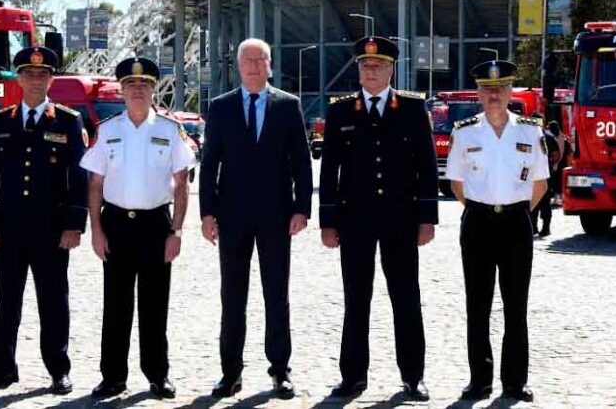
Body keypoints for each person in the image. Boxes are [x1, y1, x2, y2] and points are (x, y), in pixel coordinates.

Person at [319, 36, 438, 401]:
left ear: (391, 69)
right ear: (358, 69)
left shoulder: (413, 109)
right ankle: (353, 376)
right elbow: (329, 171)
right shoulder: (341, 111)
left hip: (400, 220)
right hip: (355, 221)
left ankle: (413, 376)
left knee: (406, 298)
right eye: (365, 66)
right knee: (356, 299)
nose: (371, 71)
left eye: (378, 65)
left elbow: (427, 167)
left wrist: (427, 218)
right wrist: (328, 221)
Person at [199, 38, 313, 399]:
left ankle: (280, 371)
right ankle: (230, 372)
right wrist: (207, 212)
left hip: (277, 217)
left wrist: (302, 208)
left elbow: (302, 161)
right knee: (232, 296)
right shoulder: (220, 107)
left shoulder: (288, 106)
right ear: (238, 65)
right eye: (247, 60)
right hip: (232, 217)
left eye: (260, 60)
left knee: (276, 294)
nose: (253, 66)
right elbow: (209, 165)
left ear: (270, 65)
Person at [0, 46, 88, 395]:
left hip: (51, 230)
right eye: (29, 74)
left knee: (53, 300)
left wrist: (74, 224)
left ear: (52, 79)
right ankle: (3, 369)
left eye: (43, 75)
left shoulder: (68, 121)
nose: (36, 80)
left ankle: (58, 370)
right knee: (7, 300)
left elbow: (78, 176)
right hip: (8, 229)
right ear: (19, 79)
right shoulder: (1, 122)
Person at [80, 57, 195, 399]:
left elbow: (181, 184)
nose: (138, 90)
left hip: (155, 225)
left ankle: (158, 374)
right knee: (115, 305)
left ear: (153, 89)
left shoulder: (170, 130)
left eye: (144, 85)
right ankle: (112, 376)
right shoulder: (109, 129)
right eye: (131, 85)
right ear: (122, 91)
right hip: (115, 223)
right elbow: (95, 185)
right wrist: (97, 230)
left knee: (155, 304)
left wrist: (176, 232)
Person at [445, 59, 549, 402]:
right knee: (478, 306)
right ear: (478, 93)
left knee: (516, 306)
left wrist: (516, 211)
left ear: (510, 91)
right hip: (478, 223)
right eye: (488, 89)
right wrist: (483, 207)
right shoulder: (465, 131)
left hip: (516, 224)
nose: (494, 95)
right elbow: (456, 183)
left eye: (501, 88)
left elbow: (541, 183)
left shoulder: (530, 131)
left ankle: (515, 381)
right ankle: (480, 380)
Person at [529, 113, 558, 237]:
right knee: (543, 201)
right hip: (543, 173)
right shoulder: (548, 137)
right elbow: (556, 154)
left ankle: (538, 227)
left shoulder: (528, 137)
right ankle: (542, 228)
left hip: (535, 174)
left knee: (537, 200)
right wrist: (552, 164)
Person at [547, 120, 568, 206]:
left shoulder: (557, 139)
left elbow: (560, 153)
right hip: (562, 163)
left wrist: (555, 164)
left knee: (557, 182)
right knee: (559, 182)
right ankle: (559, 199)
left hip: (558, 164)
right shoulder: (562, 137)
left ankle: (557, 199)